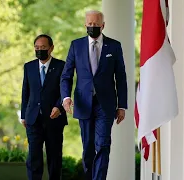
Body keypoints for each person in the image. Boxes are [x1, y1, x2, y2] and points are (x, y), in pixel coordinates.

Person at [60, 10, 128, 180]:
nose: (92, 27)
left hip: (105, 104)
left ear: (102, 25)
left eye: (96, 24)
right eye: (89, 24)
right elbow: (66, 75)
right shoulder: (76, 46)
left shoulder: (114, 46)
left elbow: (121, 77)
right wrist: (66, 98)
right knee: (88, 148)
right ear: (85, 25)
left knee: (103, 144)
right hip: (83, 104)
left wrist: (122, 105)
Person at [21, 34, 67, 180]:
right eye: (37, 48)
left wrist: (59, 107)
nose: (39, 50)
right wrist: (23, 115)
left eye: (43, 48)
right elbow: (25, 92)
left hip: (54, 118)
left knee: (54, 157)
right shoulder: (29, 67)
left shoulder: (61, 66)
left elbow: (65, 90)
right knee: (34, 156)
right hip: (33, 119)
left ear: (51, 48)